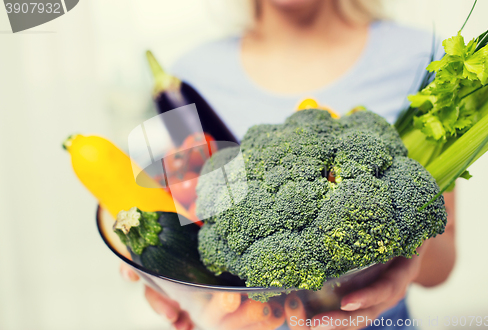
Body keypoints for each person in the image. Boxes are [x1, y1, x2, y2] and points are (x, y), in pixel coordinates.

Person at [121, 0, 457, 329]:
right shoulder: (189, 74)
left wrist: (404, 253)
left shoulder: (420, 55)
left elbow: (444, 261)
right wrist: (170, 286)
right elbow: (177, 223)